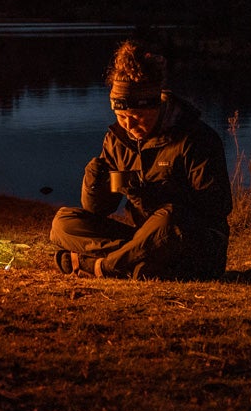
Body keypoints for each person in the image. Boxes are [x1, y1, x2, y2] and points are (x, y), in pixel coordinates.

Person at [50, 41, 232, 279]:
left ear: (155, 106)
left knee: (170, 218)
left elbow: (217, 208)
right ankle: (136, 261)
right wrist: (94, 179)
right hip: (145, 238)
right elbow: (97, 209)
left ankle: (102, 266)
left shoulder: (195, 138)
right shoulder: (117, 140)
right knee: (63, 223)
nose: (129, 125)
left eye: (136, 117)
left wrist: (149, 195)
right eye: (121, 116)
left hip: (193, 242)